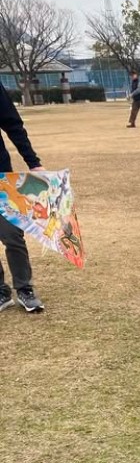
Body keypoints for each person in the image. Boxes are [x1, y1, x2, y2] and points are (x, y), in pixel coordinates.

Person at [0, 82, 45, 314]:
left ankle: (24, 289)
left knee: (12, 235)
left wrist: (33, 162)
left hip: (0, 178)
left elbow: (12, 124)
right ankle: (1, 291)